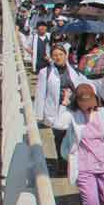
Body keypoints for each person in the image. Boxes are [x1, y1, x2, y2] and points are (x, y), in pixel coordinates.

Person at [33, 43, 89, 176]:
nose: (58, 57)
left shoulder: (74, 71)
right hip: (56, 110)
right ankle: (62, 166)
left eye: (60, 54)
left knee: (74, 136)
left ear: (66, 55)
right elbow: (40, 93)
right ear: (51, 57)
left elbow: (82, 86)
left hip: (73, 109)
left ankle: (73, 165)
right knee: (59, 138)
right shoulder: (45, 72)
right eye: (55, 55)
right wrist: (39, 115)